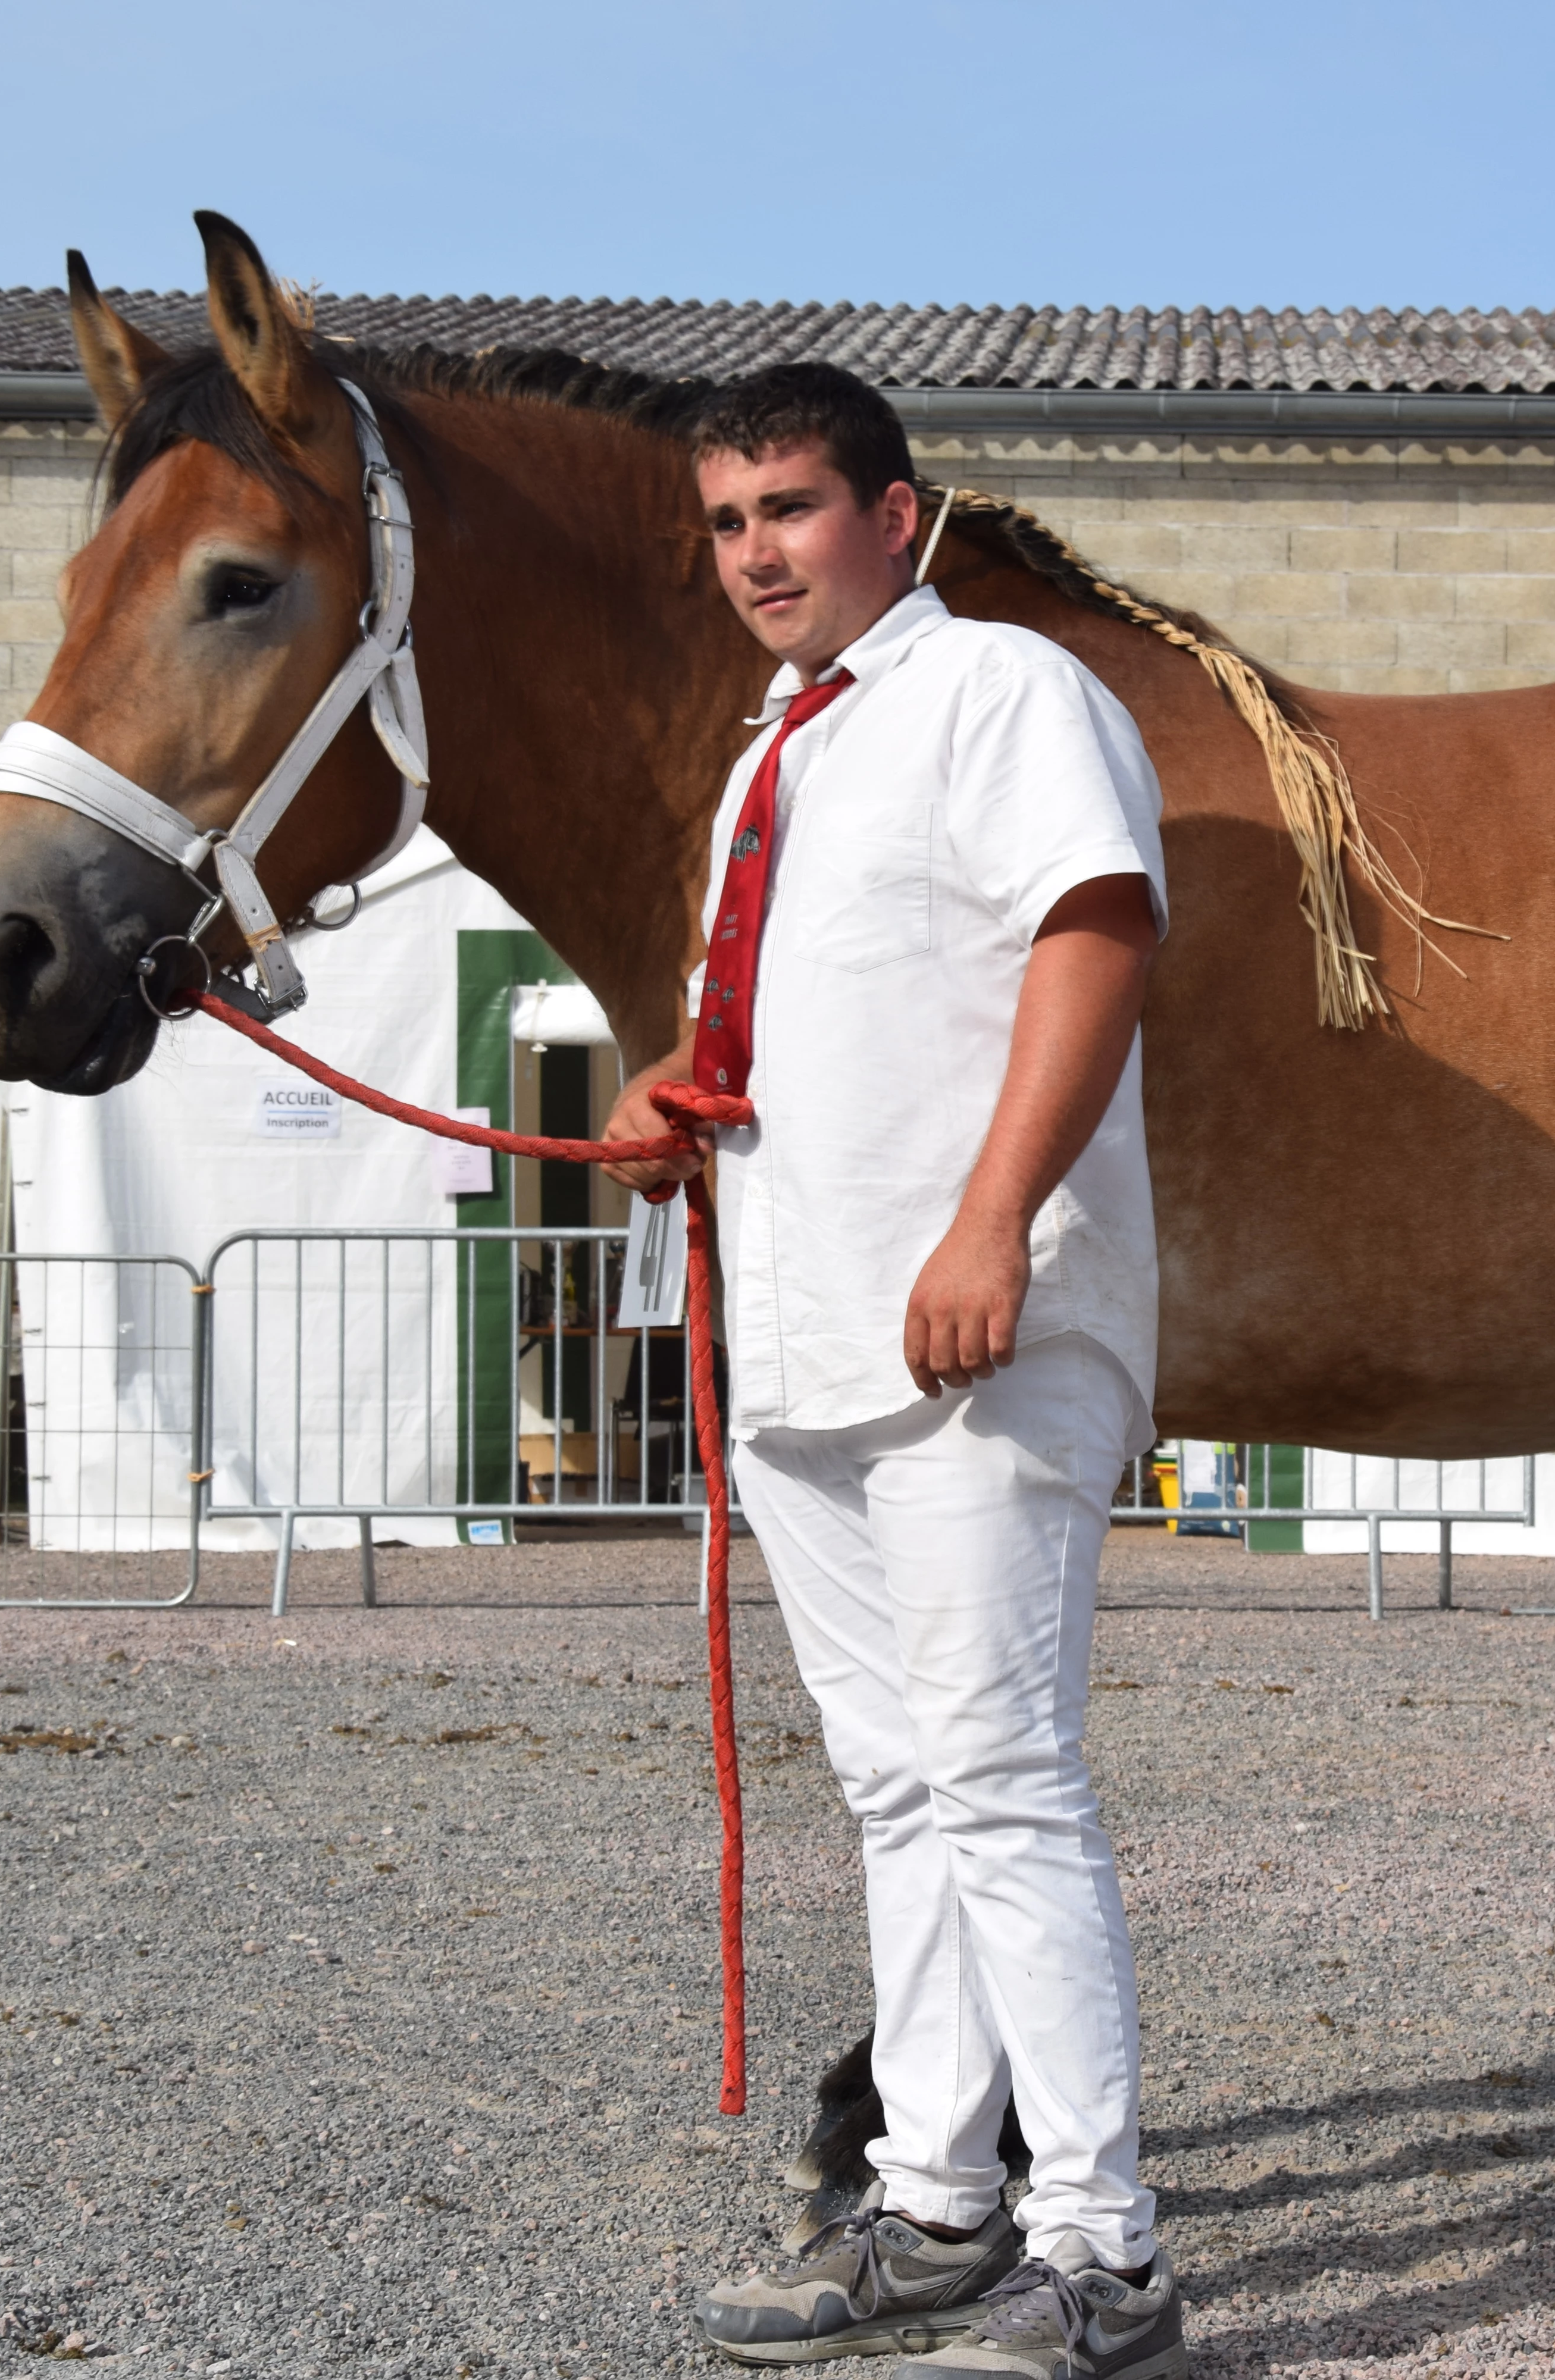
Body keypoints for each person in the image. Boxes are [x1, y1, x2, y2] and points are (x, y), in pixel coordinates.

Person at [602, 364, 1184, 2379]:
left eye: (792, 507)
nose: (757, 551)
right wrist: (694, 1106)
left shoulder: (1004, 694)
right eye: (728, 521)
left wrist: (990, 1220)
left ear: (897, 514)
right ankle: (936, 2212)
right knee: (902, 1791)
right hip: (808, 1342)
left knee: (1004, 1776)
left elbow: (1095, 935)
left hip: (975, 1327)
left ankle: (1102, 2253)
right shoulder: (784, 744)